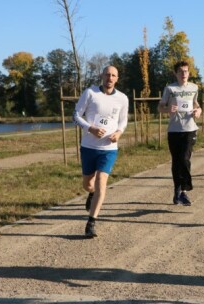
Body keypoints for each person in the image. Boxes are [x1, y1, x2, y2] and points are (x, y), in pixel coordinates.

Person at [73, 65, 129, 238]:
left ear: (117, 78)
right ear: (101, 76)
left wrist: (119, 133)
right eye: (107, 75)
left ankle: (91, 222)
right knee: (88, 184)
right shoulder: (90, 93)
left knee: (101, 183)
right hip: (89, 147)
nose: (110, 78)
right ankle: (91, 194)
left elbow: (123, 121)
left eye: (113, 75)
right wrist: (90, 128)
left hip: (109, 149)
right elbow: (76, 115)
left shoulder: (122, 98)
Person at [158, 61, 202, 206]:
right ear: (175, 73)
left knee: (184, 158)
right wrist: (168, 110)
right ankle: (177, 189)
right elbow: (160, 107)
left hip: (189, 129)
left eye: (186, 71)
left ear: (189, 73)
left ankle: (184, 191)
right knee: (176, 162)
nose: (184, 74)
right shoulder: (170, 89)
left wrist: (198, 111)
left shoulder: (194, 88)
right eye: (181, 71)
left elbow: (197, 105)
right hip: (174, 130)